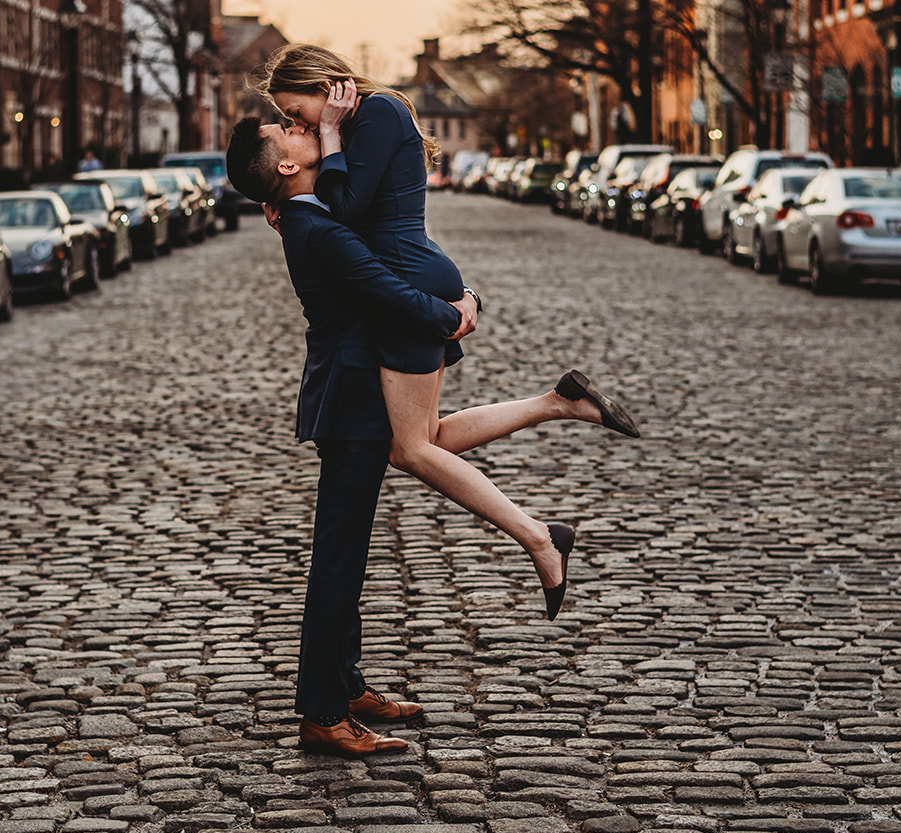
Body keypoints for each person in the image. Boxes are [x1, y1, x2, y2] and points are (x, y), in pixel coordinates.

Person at [225, 115, 628, 757]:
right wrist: (456, 312)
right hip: (353, 397)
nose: (296, 126)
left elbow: (372, 223)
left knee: (403, 475)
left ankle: (346, 686)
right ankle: (323, 714)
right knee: (338, 560)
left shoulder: (310, 212)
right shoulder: (311, 224)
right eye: (286, 129)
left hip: (357, 387)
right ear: (282, 166)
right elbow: (383, 286)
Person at [255, 44, 638, 608]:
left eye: (295, 111)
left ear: (324, 88)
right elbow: (339, 207)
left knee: (409, 450)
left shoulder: (378, 112)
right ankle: (559, 402)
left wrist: (325, 145)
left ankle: (540, 538)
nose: (295, 124)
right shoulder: (361, 125)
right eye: (288, 119)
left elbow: (349, 210)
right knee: (426, 437)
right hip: (405, 281)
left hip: (406, 285)